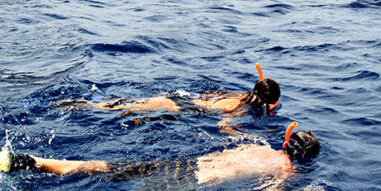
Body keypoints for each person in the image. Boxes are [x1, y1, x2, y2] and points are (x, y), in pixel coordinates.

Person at [3, 122, 320, 191]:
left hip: (183, 164)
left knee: (104, 168)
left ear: (288, 140)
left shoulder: (260, 146)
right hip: (195, 180)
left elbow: (226, 144)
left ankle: (34, 161)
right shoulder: (284, 171)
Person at [62, 64, 280, 118]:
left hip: (181, 98)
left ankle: (84, 102)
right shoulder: (241, 107)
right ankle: (79, 105)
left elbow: (208, 97)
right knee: (123, 108)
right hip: (183, 108)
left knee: (125, 104)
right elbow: (224, 125)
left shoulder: (236, 95)